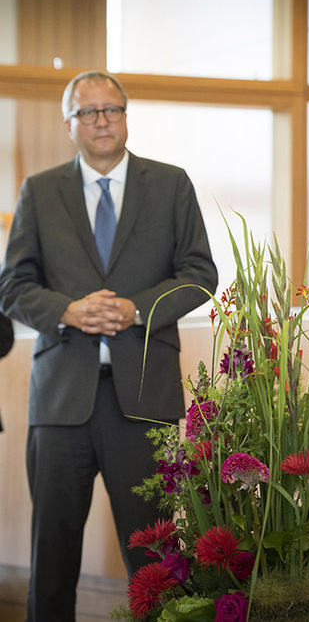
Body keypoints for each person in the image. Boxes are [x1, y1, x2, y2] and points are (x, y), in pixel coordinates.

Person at [0, 70, 218, 621]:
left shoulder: (170, 184)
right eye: (88, 111)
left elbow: (199, 273)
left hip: (144, 400)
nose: (101, 120)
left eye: (111, 109)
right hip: (60, 402)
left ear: (126, 116)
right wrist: (67, 311)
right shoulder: (40, 190)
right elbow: (13, 287)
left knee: (156, 562)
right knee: (50, 559)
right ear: (68, 123)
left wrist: (137, 308)